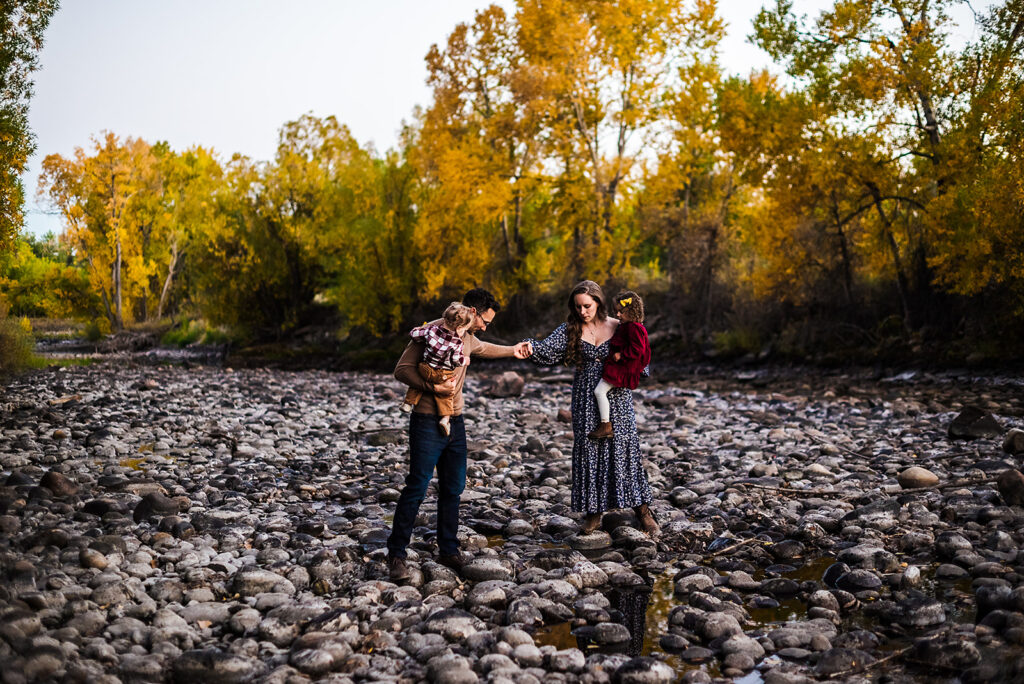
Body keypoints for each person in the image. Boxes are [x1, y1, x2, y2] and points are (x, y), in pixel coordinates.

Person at [387, 288, 533, 581]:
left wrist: (512, 350)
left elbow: (481, 347)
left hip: (456, 420)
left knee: (453, 488)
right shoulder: (433, 330)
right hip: (427, 419)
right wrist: (434, 388)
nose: (486, 327)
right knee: (417, 486)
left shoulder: (466, 336)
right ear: (474, 313)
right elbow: (401, 370)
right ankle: (396, 555)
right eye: (486, 321)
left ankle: (448, 550)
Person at [524, 280, 659, 538]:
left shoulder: (620, 326)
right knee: (589, 451)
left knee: (624, 450)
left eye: (587, 306)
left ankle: (643, 511)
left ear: (598, 303)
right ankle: (593, 512)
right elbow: (546, 350)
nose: (582, 311)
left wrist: (634, 371)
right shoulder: (570, 329)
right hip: (586, 397)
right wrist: (527, 347)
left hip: (617, 395)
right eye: (578, 307)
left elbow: (641, 352)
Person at [400, 302, 475, 437]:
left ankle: (407, 403)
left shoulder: (431, 330)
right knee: (446, 395)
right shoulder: (457, 343)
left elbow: (414, 334)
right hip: (442, 374)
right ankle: (445, 419)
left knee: (417, 384)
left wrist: (420, 328)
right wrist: (466, 360)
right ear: (459, 328)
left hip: (425, 368)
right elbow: (456, 360)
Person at [589, 291, 651, 440]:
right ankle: (606, 425)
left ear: (631, 311)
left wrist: (622, 354)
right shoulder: (630, 326)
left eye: (621, 312)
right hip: (620, 366)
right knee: (601, 391)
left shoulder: (633, 327)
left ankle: (606, 425)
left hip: (622, 368)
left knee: (599, 392)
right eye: (616, 311)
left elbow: (639, 349)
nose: (617, 315)